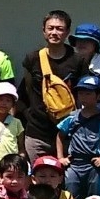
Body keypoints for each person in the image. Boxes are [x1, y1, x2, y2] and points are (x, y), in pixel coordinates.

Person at [16, 11, 81, 164]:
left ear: (67, 32)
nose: (54, 32)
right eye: (50, 28)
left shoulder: (77, 60)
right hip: (37, 132)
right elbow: (27, 90)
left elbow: (81, 95)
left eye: (59, 29)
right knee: (38, 175)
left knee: (66, 175)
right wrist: (28, 114)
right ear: (43, 31)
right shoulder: (33, 59)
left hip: (67, 132)